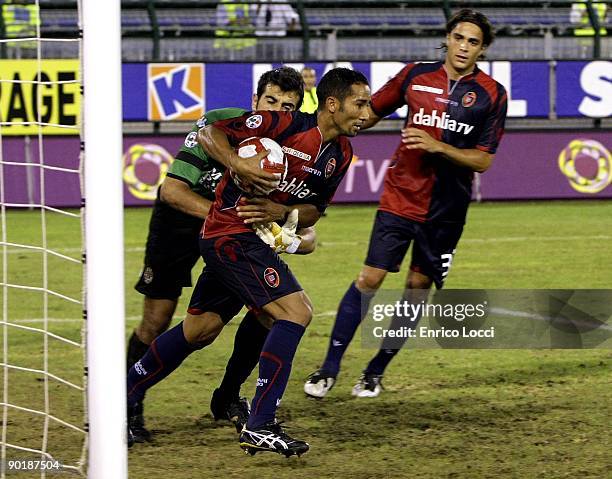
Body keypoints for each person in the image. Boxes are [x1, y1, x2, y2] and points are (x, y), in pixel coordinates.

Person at [127, 67, 371, 456]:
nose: (367, 113)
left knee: (199, 330)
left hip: (248, 238)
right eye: (360, 103)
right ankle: (260, 422)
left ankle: (126, 391)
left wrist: (284, 215)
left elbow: (313, 210)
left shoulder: (341, 154)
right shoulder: (284, 124)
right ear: (332, 104)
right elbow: (210, 133)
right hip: (228, 233)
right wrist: (238, 164)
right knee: (294, 312)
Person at [304, 8, 508, 399]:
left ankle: (374, 371)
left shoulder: (493, 95)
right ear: (447, 38)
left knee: (417, 287)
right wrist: (321, 104)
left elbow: (483, 160)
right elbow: (366, 115)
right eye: (459, 37)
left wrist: (437, 146)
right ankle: (328, 368)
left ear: (482, 49)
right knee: (370, 280)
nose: (464, 46)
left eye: (474, 42)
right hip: (400, 196)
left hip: (447, 208)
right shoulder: (415, 75)